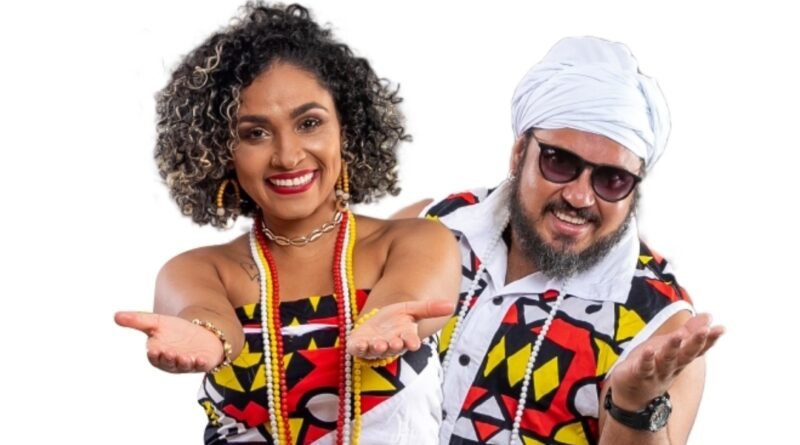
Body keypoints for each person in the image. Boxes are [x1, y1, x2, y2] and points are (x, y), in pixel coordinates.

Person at [114, 3, 461, 444]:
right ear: (220, 151)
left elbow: (406, 300)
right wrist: (207, 337)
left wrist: (384, 324)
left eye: (309, 123)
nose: (288, 155)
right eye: (255, 133)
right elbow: (205, 316)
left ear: (347, 129)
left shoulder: (415, 240)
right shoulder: (198, 270)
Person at [396, 37, 724, 444]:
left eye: (612, 179)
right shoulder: (433, 226)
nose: (580, 197)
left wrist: (634, 403)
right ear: (519, 153)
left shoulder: (659, 326)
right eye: (560, 162)